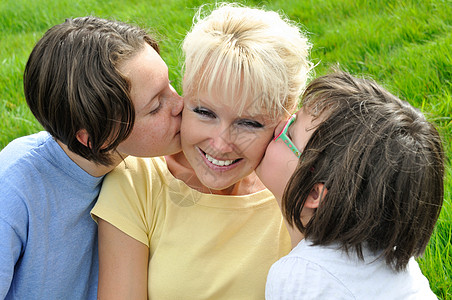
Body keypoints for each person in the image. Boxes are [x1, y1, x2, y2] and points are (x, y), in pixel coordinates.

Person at [91, 3, 313, 299]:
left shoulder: (306, 194)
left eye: (249, 123)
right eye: (205, 112)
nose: (220, 145)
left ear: (286, 121)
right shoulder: (137, 180)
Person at [0, 16, 183, 299]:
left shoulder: (144, 167)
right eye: (157, 105)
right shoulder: (13, 188)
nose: (180, 103)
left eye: (170, 84)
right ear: (97, 138)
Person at [256, 71, 444, 299]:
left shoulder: (301, 276)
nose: (278, 126)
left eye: (290, 132)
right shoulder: (392, 260)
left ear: (313, 193)